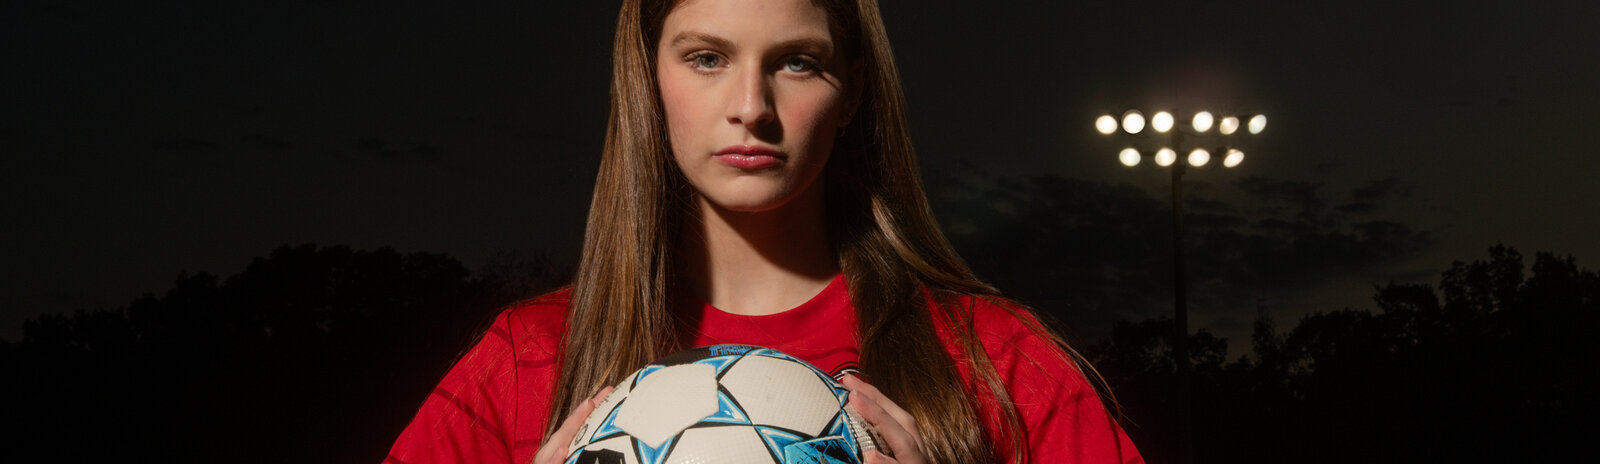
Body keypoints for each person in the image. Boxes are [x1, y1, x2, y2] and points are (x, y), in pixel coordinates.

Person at [387, 0, 1143, 463]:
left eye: (798, 63)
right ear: (648, 80)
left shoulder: (995, 360)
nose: (751, 104)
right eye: (707, 57)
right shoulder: (523, 365)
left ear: (850, 93)